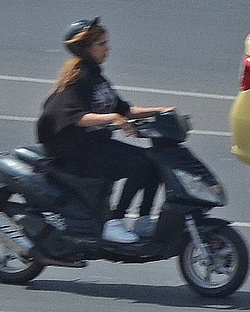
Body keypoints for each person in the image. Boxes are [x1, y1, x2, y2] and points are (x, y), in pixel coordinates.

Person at [35, 18, 171, 244]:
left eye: (106, 42)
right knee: (141, 166)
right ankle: (114, 223)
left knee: (154, 162)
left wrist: (159, 111)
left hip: (96, 146)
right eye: (101, 44)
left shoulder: (97, 77)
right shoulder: (78, 80)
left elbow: (124, 109)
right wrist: (113, 118)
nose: (108, 48)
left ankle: (143, 219)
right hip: (75, 153)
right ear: (86, 48)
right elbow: (74, 116)